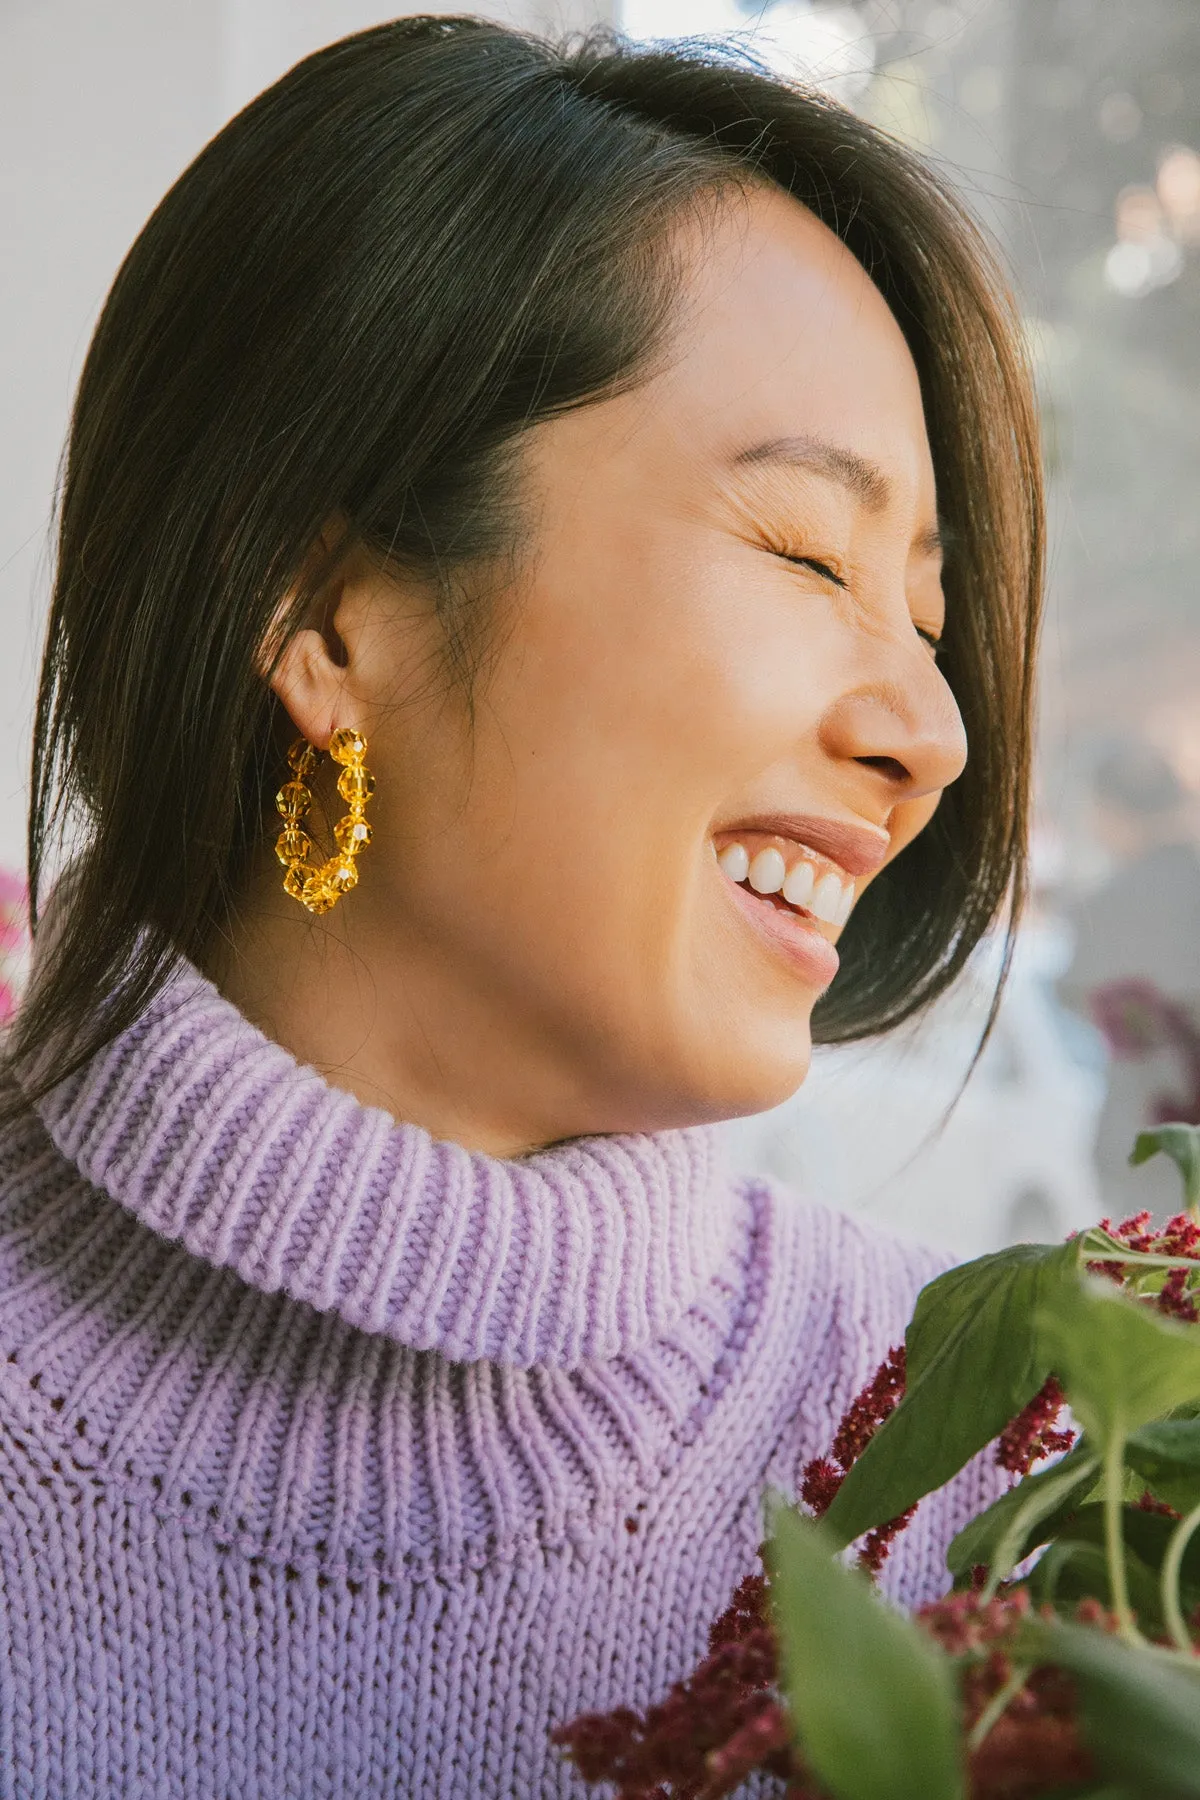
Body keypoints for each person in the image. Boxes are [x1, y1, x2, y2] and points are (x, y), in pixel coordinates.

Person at [0, 17, 1042, 1797]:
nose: (929, 734)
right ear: (326, 614)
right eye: (808, 553)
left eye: (930, 625)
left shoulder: (1002, 1486)